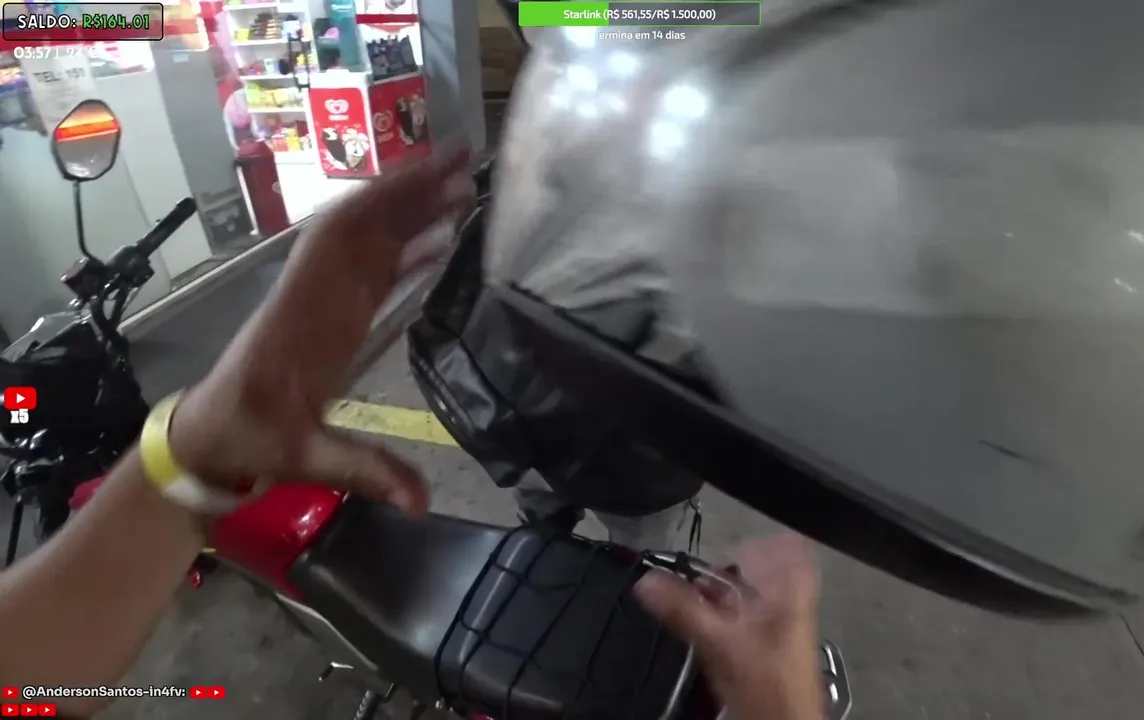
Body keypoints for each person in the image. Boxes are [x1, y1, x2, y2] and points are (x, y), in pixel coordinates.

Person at [0, 147, 828, 720]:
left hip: (533, 429)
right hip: (584, 449)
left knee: (611, 555)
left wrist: (189, 461)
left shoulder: (558, 181)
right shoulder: (693, 218)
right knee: (637, 565)